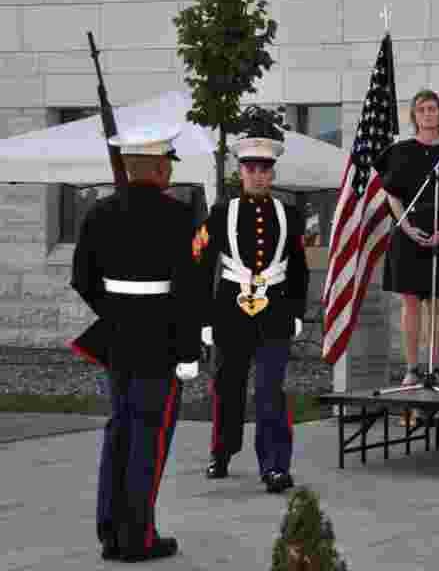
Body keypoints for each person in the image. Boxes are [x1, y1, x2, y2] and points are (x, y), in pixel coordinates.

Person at [70, 123, 199, 562]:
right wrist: (188, 352)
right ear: (161, 168)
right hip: (161, 345)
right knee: (149, 435)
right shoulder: (181, 218)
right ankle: (138, 537)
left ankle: (110, 530)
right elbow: (189, 292)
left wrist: (117, 310)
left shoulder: (98, 214)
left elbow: (82, 280)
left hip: (118, 341)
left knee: (119, 431)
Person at [194, 126, 310, 493]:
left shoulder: (290, 214)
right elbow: (201, 266)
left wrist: (295, 312)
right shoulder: (220, 212)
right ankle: (222, 450)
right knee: (227, 387)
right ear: (239, 172)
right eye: (250, 168)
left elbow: (299, 266)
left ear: (273, 173)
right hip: (230, 310)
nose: (258, 175)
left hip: (274, 309)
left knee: (270, 389)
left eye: (264, 169)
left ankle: (275, 465)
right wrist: (205, 319)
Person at [376, 89, 439, 418]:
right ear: (414, 116)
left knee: (438, 300)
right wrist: (404, 225)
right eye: (422, 109)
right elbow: (392, 194)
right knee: (411, 300)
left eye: (433, 109)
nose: (428, 114)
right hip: (409, 229)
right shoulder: (400, 151)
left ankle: (434, 365)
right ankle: (412, 367)